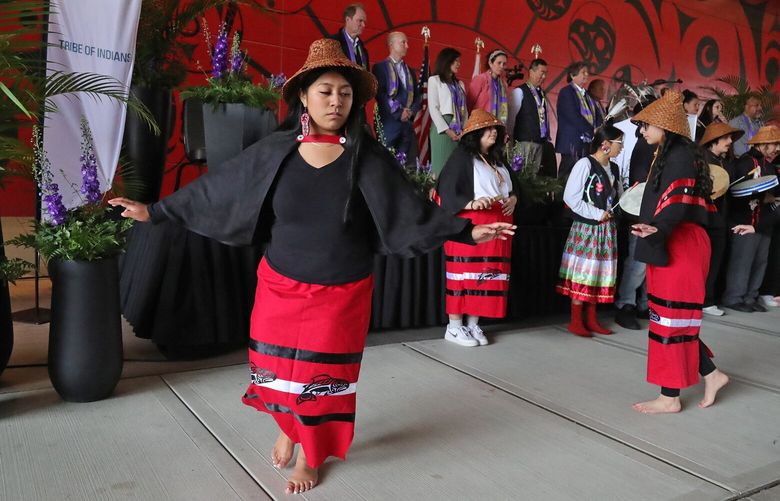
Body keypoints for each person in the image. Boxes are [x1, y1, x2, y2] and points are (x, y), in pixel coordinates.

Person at [108, 39, 515, 494]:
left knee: (321, 380)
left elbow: (411, 211)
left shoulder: (369, 158)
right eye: (325, 91)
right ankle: (289, 426)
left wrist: (466, 231)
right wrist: (154, 212)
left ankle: (311, 454)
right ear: (303, 95)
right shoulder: (275, 151)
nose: (336, 101)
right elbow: (215, 191)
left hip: (342, 291)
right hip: (279, 284)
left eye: (344, 93)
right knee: (278, 369)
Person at [629, 90, 729, 414]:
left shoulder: (680, 156)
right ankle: (711, 375)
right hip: (675, 241)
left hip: (681, 243)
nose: (642, 131)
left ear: (664, 124)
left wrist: (657, 229)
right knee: (669, 320)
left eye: (646, 125)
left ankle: (670, 397)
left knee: (670, 321)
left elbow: (676, 204)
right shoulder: (672, 153)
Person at [435, 109, 517, 346]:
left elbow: (512, 188)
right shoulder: (462, 158)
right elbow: (446, 193)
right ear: (476, 134)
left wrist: (513, 199)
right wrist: (471, 203)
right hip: (470, 226)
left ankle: (472, 325)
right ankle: (453, 327)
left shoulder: (497, 160)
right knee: (464, 275)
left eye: (495, 129)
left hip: (496, 224)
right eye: (488, 129)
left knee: (485, 274)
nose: (493, 132)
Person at [557, 122, 624, 337]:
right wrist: (596, 214)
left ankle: (592, 319)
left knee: (599, 274)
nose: (621, 147)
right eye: (619, 143)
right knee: (584, 272)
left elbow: (617, 197)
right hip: (588, 229)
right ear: (605, 144)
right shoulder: (585, 164)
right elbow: (571, 197)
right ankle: (576, 320)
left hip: (607, 229)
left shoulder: (613, 168)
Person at [721, 125, 780, 312]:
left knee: (759, 261)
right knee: (742, 261)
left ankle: (750, 297)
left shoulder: (768, 165)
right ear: (763, 143)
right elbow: (732, 192)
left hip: (763, 221)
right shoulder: (743, 163)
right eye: (775, 144)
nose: (777, 148)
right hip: (743, 220)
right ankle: (733, 297)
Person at [614, 100, 658, 330]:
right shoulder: (645, 144)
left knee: (649, 261)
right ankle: (625, 304)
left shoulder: (662, 145)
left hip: (656, 210)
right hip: (642, 210)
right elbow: (642, 184)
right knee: (638, 261)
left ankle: (644, 303)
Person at [699, 122, 745, 316]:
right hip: (704, 219)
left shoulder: (726, 163)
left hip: (721, 219)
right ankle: (701, 299)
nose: (729, 142)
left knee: (716, 260)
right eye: (726, 138)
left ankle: (709, 299)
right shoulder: (701, 161)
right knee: (703, 261)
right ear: (713, 141)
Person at [373, 31, 421, 162]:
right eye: (403, 42)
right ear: (391, 44)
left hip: (406, 126)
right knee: (385, 163)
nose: (407, 46)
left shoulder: (410, 71)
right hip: (389, 125)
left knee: (404, 167)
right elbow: (381, 94)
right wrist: (399, 112)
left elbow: (417, 97)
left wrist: (410, 113)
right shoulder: (380, 67)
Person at [555, 61, 602, 181]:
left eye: (587, 72)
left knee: (581, 176)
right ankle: (560, 200)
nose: (586, 75)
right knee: (567, 175)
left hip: (586, 143)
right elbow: (573, 116)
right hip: (571, 141)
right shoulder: (566, 92)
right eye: (583, 72)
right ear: (572, 75)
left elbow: (595, 115)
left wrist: (599, 129)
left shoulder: (587, 95)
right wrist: (592, 130)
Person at [511, 58, 557, 177]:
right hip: (523, 142)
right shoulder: (519, 91)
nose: (544, 76)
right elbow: (511, 119)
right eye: (542, 72)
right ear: (531, 72)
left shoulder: (541, 94)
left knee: (533, 178)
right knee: (520, 176)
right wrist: (511, 141)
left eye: (545, 73)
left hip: (539, 143)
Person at [427, 47, 468, 176]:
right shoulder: (434, 80)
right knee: (441, 170)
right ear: (446, 61)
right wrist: (447, 130)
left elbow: (465, 110)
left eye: (459, 61)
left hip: (459, 129)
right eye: (455, 60)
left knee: (456, 172)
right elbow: (433, 108)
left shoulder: (460, 84)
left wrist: (464, 130)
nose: (458, 64)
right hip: (443, 129)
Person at [467, 49, 509, 124]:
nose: (502, 66)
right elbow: (469, 103)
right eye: (499, 63)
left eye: (504, 64)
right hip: (479, 124)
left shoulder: (504, 84)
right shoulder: (480, 79)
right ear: (490, 63)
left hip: (496, 126)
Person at [330, 3, 369, 70]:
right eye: (360, 21)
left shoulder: (362, 48)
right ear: (348, 19)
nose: (363, 25)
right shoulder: (333, 43)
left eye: (364, 22)